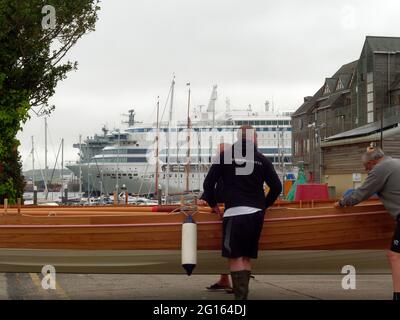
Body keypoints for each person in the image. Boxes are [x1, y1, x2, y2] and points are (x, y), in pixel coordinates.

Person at [203, 125, 282, 300]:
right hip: (256, 214)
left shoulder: (225, 157)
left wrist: (213, 204)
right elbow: (277, 187)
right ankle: (242, 297)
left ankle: (240, 301)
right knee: (246, 256)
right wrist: (264, 205)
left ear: (238, 138)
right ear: (254, 139)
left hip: (235, 213)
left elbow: (208, 184)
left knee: (235, 256)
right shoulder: (263, 159)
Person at [335, 146, 400, 300]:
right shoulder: (395, 162)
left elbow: (362, 193)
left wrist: (343, 203)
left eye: (366, 168)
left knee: (395, 256)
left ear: (373, 162)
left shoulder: (380, 169)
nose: (367, 172)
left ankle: (397, 295)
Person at [198, 143, 232, 292]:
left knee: (232, 248)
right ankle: (224, 279)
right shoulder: (222, 167)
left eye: (221, 153)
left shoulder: (232, 168)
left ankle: (233, 280)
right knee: (224, 248)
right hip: (222, 210)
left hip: (230, 211)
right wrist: (205, 199)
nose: (219, 155)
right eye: (218, 153)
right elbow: (212, 187)